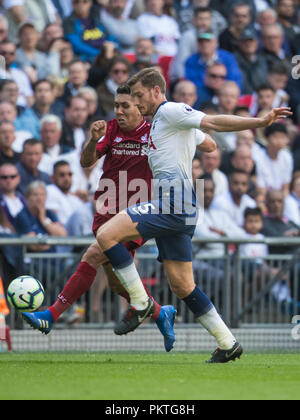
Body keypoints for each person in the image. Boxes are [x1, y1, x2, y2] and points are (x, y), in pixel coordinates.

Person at [91, 68, 290, 362]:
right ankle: (228, 342)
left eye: (139, 95)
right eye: (132, 97)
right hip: (181, 206)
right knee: (182, 285)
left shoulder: (170, 110)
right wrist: (193, 140)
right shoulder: (165, 121)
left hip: (174, 201)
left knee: (106, 234)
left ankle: (141, 302)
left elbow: (212, 122)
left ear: (156, 91)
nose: (136, 102)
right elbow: (208, 142)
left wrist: (259, 121)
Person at [22, 84, 177, 353]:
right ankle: (159, 312)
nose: (118, 110)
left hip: (136, 215)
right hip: (106, 211)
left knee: (92, 255)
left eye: (124, 106)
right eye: (116, 105)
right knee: (117, 279)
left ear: (140, 107)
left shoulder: (154, 133)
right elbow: (85, 162)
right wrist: (94, 140)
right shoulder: (111, 129)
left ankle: (51, 315)